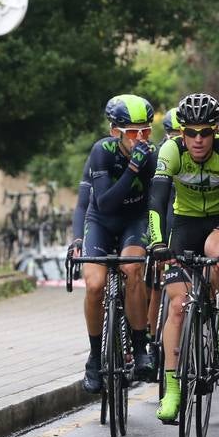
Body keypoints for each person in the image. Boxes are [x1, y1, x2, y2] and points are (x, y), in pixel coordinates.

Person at [147, 93, 219, 424]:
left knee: (218, 255)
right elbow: (157, 201)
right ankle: (173, 390)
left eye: (205, 132)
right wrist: (159, 243)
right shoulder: (170, 151)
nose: (198, 140)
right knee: (177, 306)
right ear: (181, 133)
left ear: (216, 130)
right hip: (185, 223)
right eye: (191, 133)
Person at [71, 95, 157, 393]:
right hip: (102, 222)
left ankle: (140, 346)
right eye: (133, 132)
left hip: (135, 221)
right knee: (95, 285)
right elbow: (104, 204)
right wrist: (133, 169)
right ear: (115, 132)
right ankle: (95, 358)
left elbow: (160, 201)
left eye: (146, 131)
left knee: (133, 270)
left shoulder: (153, 155)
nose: (141, 139)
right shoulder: (102, 152)